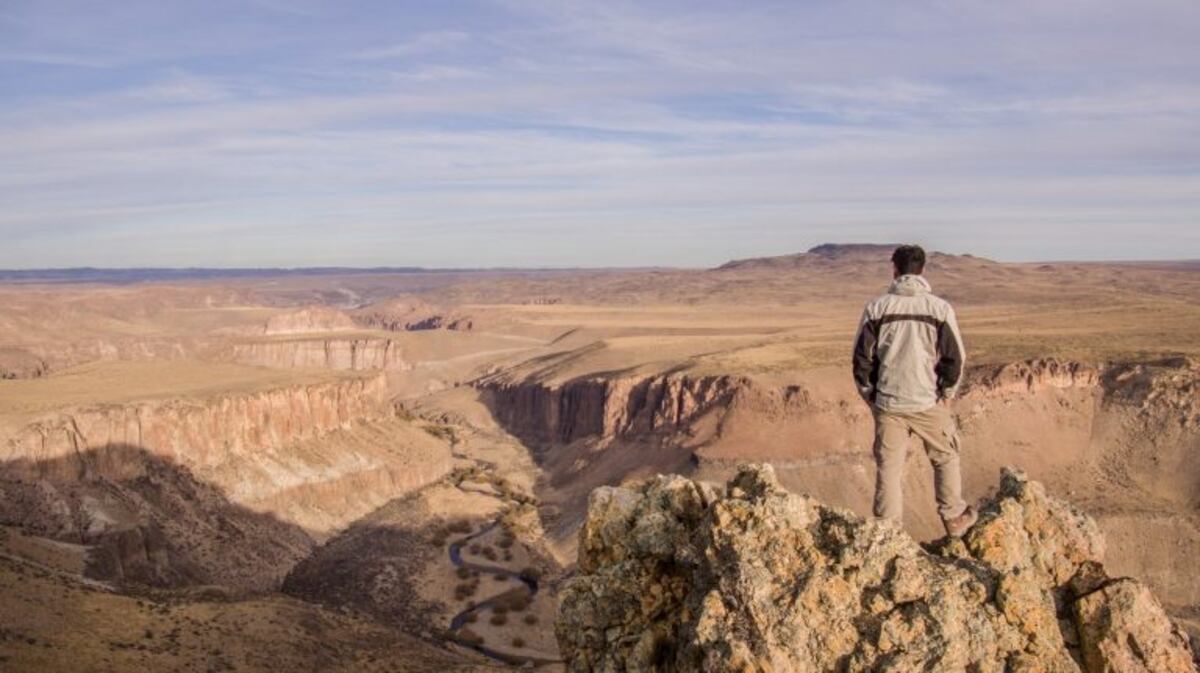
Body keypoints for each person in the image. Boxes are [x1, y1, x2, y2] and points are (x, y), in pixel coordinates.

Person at [852, 244, 978, 537]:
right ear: (922, 270)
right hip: (926, 401)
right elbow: (954, 358)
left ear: (894, 270)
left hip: (888, 402)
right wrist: (946, 394)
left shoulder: (877, 308)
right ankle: (953, 516)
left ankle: (888, 531)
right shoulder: (939, 309)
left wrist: (870, 394)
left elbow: (861, 358)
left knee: (889, 467)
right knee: (945, 455)